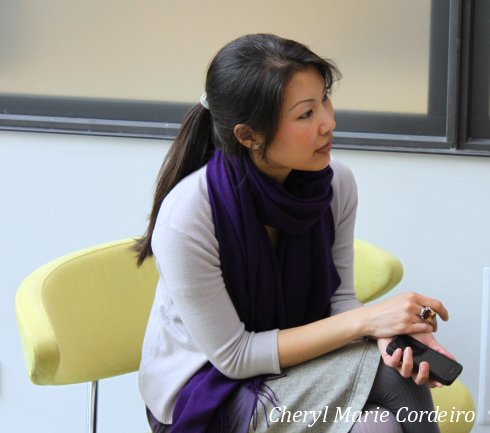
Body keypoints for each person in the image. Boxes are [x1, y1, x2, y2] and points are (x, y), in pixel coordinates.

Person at [135, 33, 454, 433]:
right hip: (209, 391)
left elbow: (339, 300)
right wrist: (370, 322)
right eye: (305, 114)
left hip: (298, 363)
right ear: (248, 135)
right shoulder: (189, 217)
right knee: (391, 379)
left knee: (379, 425)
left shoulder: (336, 183)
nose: (328, 122)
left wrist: (388, 336)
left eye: (325, 99)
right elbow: (234, 356)